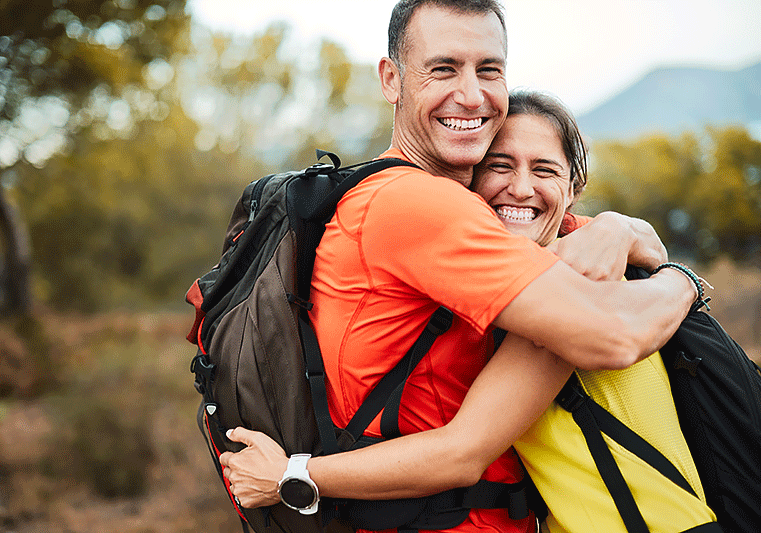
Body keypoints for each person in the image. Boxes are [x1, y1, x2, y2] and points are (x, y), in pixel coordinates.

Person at [221, 1, 701, 531]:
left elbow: (607, 241)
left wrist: (619, 227)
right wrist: (685, 282)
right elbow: (610, 335)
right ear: (392, 79)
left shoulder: (411, 200)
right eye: (443, 69)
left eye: (488, 70)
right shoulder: (422, 207)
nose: (471, 95)